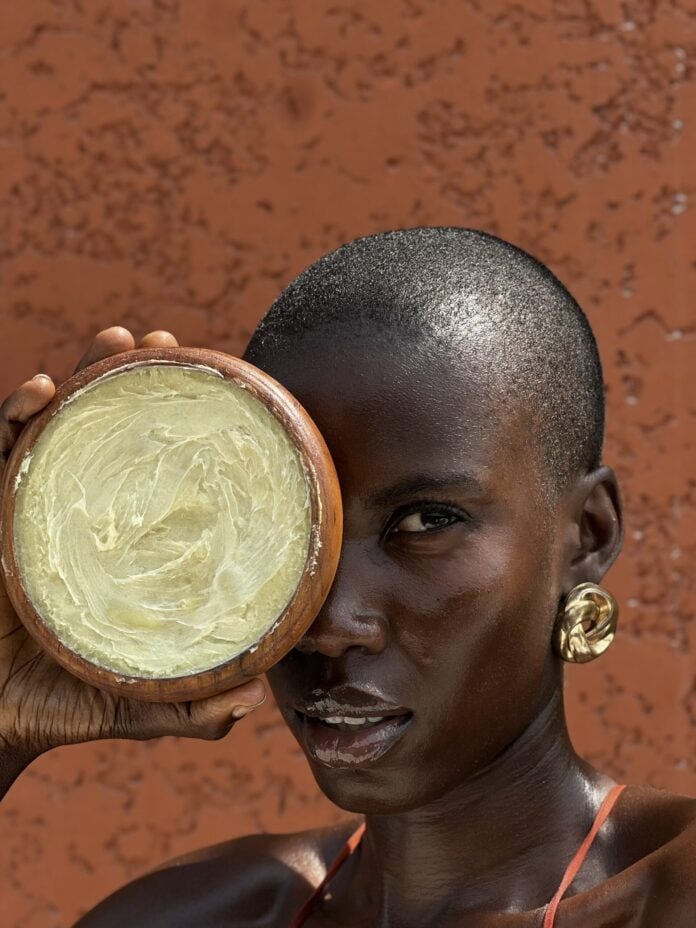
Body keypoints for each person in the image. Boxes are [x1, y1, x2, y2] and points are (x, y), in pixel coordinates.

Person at [1, 228, 694, 927]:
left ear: (589, 534)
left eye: (426, 522)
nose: (329, 625)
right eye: (295, 532)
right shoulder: (190, 917)